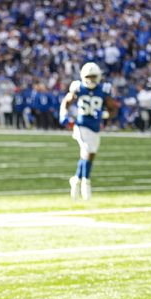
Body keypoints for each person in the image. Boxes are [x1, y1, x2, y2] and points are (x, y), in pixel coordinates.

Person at [59, 62, 117, 201]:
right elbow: (66, 102)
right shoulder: (78, 87)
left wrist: (104, 115)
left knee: (88, 155)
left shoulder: (104, 89)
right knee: (88, 150)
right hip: (81, 125)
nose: (90, 80)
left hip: (95, 127)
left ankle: (76, 180)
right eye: (88, 77)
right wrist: (63, 115)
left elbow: (113, 110)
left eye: (93, 77)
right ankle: (86, 182)